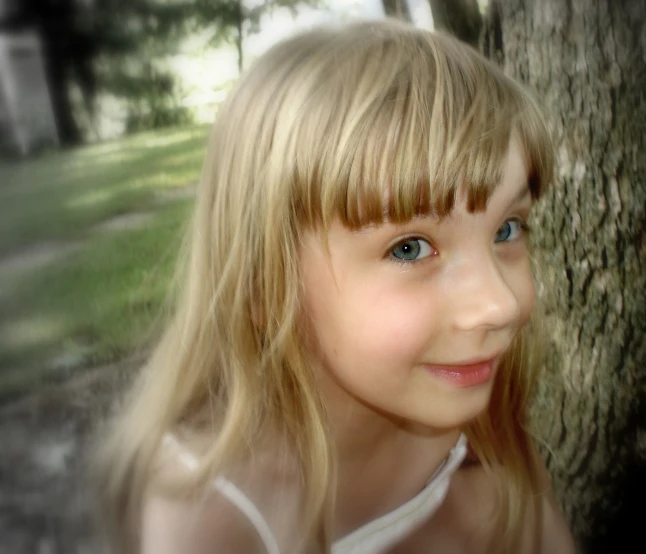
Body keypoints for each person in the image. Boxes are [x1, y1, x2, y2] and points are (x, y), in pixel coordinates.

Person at [94, 18, 576, 554]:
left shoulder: (475, 406)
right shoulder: (209, 513)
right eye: (410, 248)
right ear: (264, 282)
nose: (500, 305)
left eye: (507, 229)